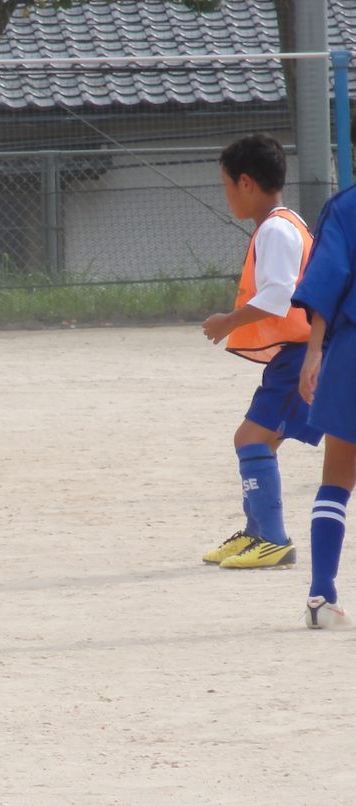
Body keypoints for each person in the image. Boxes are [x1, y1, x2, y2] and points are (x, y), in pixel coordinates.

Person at [200, 134, 317, 570]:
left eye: (227, 185)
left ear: (246, 183)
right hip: (296, 355)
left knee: (250, 439)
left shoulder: (276, 229)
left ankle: (272, 538)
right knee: (257, 442)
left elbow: (277, 296)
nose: (227, 194)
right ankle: (257, 532)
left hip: (300, 357)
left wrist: (226, 322)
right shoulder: (283, 224)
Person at [293, 124, 356, 627]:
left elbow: (326, 285)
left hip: (351, 352)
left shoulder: (344, 207)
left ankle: (320, 595)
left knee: (336, 479)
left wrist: (314, 353)